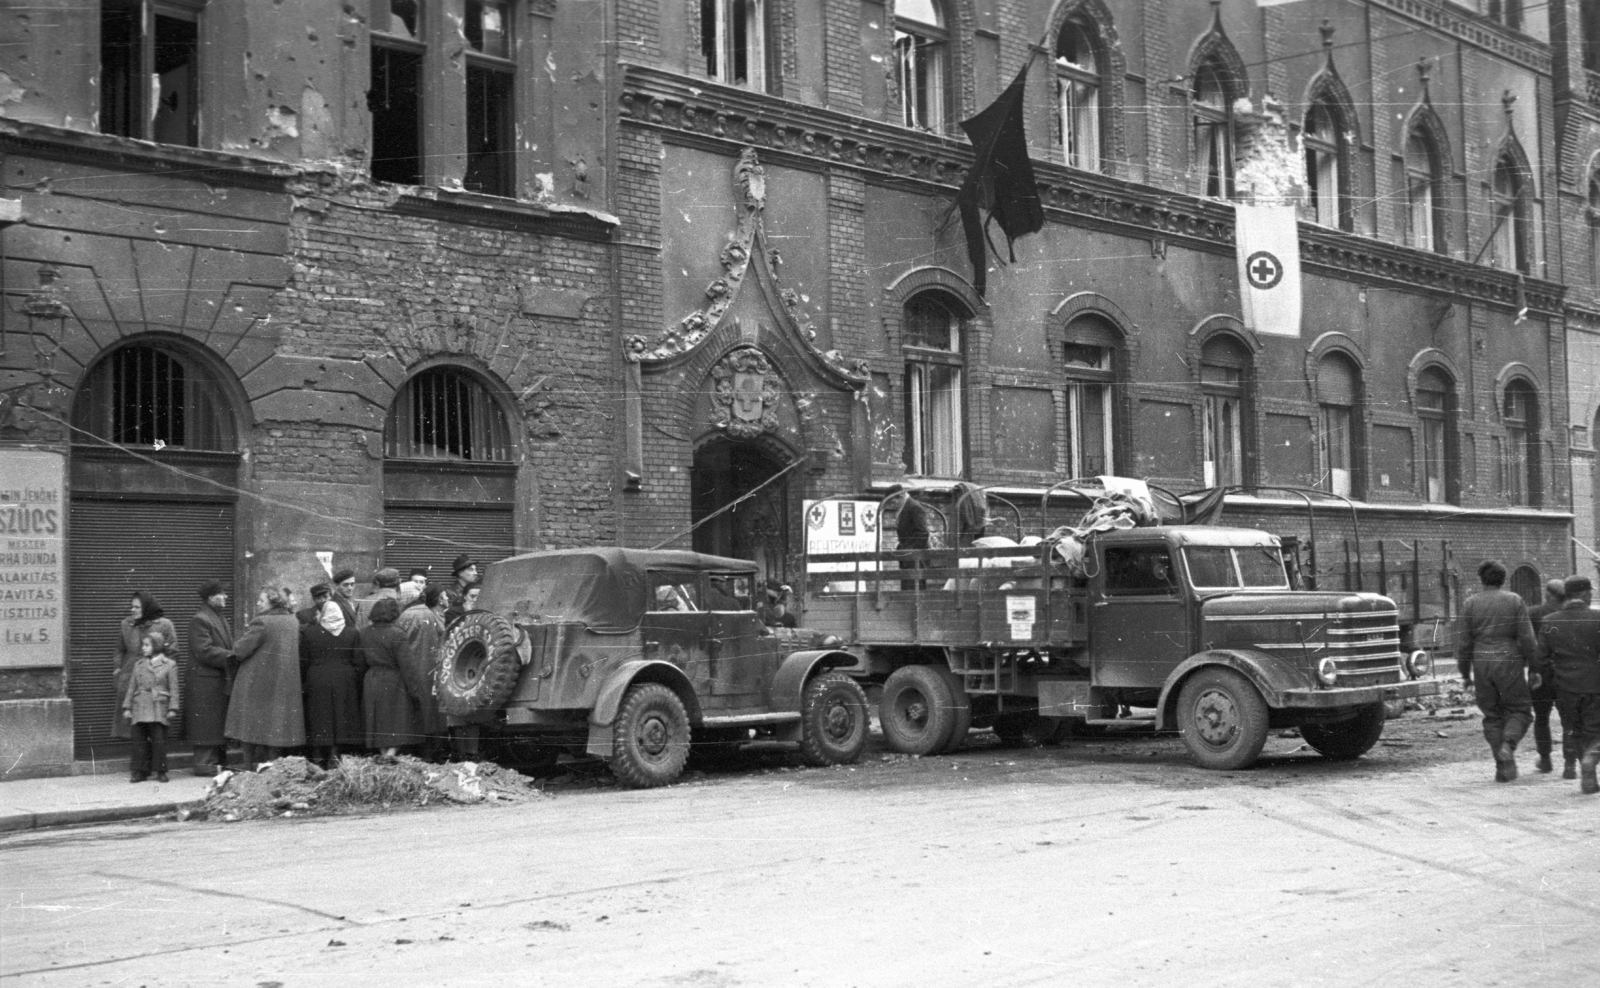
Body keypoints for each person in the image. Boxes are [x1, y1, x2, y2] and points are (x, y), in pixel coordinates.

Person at [1456, 560, 1538, 782]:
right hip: (1509, 660)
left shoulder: (1470, 604)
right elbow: (1527, 637)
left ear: (1482, 580)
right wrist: (1534, 667)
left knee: (1492, 715)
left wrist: (1465, 673)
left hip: (1482, 663)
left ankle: (1502, 767)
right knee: (1520, 710)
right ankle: (1508, 745)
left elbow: (1464, 643)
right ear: (1503, 579)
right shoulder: (1514, 600)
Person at [226, 587, 306, 769]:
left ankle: (248, 766)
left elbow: (240, 650)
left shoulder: (262, 622)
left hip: (256, 680)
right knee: (274, 726)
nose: (258, 603)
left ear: (273, 601)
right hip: (282, 682)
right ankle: (272, 767)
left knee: (248, 724)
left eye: (261, 600)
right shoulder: (293, 621)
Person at [1536, 575, 1600, 793]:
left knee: (1574, 730)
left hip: (1564, 688)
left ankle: (1588, 774)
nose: (1590, 596)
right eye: (1589, 592)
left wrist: (1556, 676)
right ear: (1583, 594)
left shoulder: (1550, 621)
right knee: (1595, 731)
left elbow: (1541, 659)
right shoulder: (1598, 618)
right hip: (1594, 685)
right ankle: (1591, 761)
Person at [299, 599, 364, 769]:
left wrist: (305, 680)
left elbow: (303, 660)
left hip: (317, 678)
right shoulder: (352, 633)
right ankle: (337, 754)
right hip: (345, 679)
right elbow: (359, 661)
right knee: (342, 715)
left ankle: (320, 756)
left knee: (321, 717)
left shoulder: (310, 633)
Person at [110, 591, 178, 741]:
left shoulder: (164, 625)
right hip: (130, 678)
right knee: (132, 725)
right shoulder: (126, 624)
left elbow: (172, 652)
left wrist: (162, 672)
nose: (132, 610)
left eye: (137, 607)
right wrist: (118, 669)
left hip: (155, 680)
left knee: (155, 723)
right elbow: (119, 650)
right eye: (132, 607)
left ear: (147, 608)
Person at [361, 597, 421, 757]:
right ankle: (390, 755)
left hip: (372, 678)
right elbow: (407, 665)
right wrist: (415, 690)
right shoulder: (397, 633)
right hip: (394, 679)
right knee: (396, 721)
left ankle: (384, 755)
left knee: (378, 721)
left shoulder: (365, 632)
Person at [186, 581, 235, 776]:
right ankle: (204, 765)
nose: (225, 597)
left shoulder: (216, 616)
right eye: (221, 594)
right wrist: (233, 656)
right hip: (205, 682)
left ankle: (216, 763)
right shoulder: (200, 619)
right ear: (210, 598)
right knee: (207, 725)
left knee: (214, 724)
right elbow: (203, 651)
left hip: (214, 680)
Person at [397, 586, 449, 760]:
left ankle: (417, 753)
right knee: (433, 713)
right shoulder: (429, 614)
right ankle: (432, 752)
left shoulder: (406, 615)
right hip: (431, 669)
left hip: (412, 669)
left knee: (416, 713)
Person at [122, 630, 180, 783]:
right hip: (140, 705)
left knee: (159, 741)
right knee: (139, 741)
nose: (143, 648)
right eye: (143, 645)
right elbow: (132, 687)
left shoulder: (169, 665)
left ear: (157, 646)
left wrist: (173, 708)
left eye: (147, 645)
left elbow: (174, 689)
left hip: (158, 706)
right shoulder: (139, 664)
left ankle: (161, 771)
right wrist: (127, 707)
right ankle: (140, 771)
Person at [1526, 578, 1568, 773]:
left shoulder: (1533, 613)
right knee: (1568, 718)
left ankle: (1545, 759)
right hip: (1565, 672)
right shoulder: (1567, 615)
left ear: (1547, 594)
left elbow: (1525, 641)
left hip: (1539, 672)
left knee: (1541, 717)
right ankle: (1570, 762)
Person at [894, 487, 932, 591]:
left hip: (916, 559)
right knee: (908, 592)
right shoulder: (905, 507)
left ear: (901, 496)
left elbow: (923, 533)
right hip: (909, 560)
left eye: (893, 501)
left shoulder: (914, 507)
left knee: (914, 592)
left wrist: (906, 549)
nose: (893, 504)